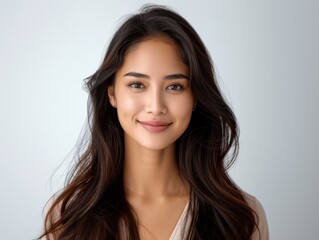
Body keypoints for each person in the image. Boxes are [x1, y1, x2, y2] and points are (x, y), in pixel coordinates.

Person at [39, 5, 269, 240]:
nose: (156, 106)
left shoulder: (241, 217)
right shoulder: (66, 216)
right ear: (112, 94)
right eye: (137, 85)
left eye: (175, 86)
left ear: (195, 97)